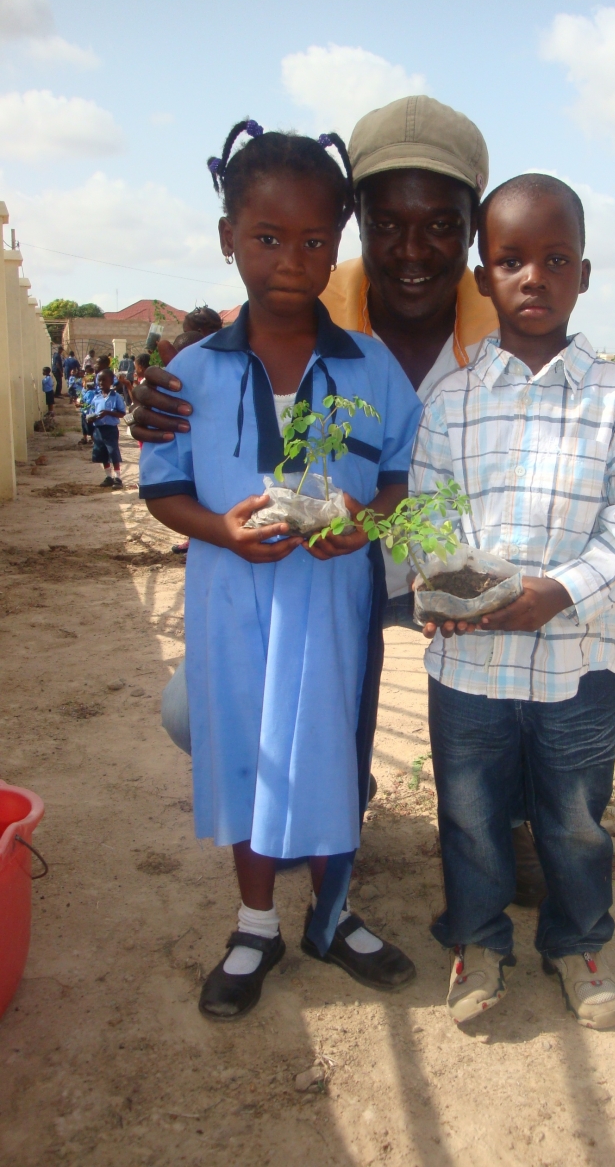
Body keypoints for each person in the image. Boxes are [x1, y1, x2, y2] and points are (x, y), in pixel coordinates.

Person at [130, 96, 615, 935]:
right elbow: (214, 395)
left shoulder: (512, 325)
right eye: (387, 225)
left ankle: (518, 809)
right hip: (323, 579)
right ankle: (328, 791)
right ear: (356, 224)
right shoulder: (309, 301)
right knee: (191, 710)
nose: (413, 251)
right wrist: (155, 403)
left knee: (560, 640)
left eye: (444, 226)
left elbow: (592, 469)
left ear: (475, 237)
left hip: (451, 576)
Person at [138, 119, 422, 1021]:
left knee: (333, 754)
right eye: (267, 238)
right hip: (230, 604)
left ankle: (332, 917)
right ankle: (255, 923)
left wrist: (365, 525)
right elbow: (163, 489)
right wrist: (219, 531)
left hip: (332, 603)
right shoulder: (190, 373)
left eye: (312, 241)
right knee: (243, 753)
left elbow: (399, 476)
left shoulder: (371, 366)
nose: (291, 261)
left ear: (336, 245)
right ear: (229, 238)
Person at [413, 174, 615, 1028]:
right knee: (471, 813)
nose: (534, 278)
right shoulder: (451, 404)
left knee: (575, 819)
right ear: (482, 277)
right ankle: (478, 941)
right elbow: (428, 515)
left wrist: (561, 590)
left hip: (579, 660)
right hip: (471, 664)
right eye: (512, 260)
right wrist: (442, 584)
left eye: (556, 260)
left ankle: (578, 943)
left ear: (583, 275)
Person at [86, 366, 126, 487]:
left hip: (110, 429)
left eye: (104, 380)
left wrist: (108, 413)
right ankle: (108, 476)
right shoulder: (96, 397)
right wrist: (90, 418)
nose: (101, 383)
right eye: (99, 380)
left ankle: (118, 477)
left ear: (111, 381)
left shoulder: (116, 397)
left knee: (113, 452)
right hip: (99, 429)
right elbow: (91, 411)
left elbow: (122, 413)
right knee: (102, 452)